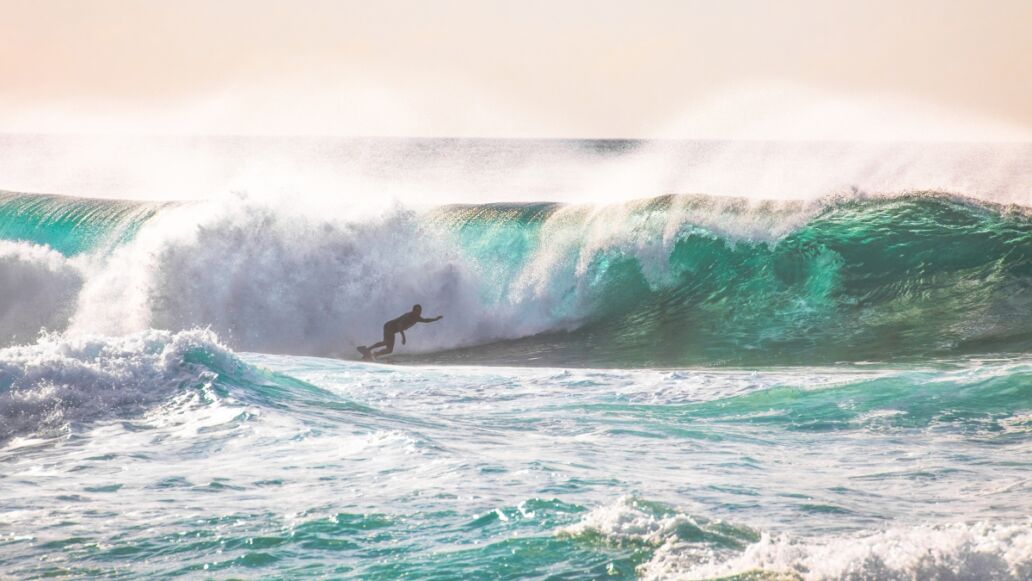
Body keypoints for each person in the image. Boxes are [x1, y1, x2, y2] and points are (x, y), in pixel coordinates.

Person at [359, 304, 443, 360]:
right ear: (413, 310)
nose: (419, 313)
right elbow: (399, 325)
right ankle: (367, 350)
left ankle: (375, 354)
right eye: (417, 311)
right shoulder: (408, 316)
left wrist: (436, 319)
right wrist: (403, 337)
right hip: (389, 326)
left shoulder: (417, 318)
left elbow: (426, 320)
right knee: (386, 342)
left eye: (420, 311)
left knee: (389, 350)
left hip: (393, 329)